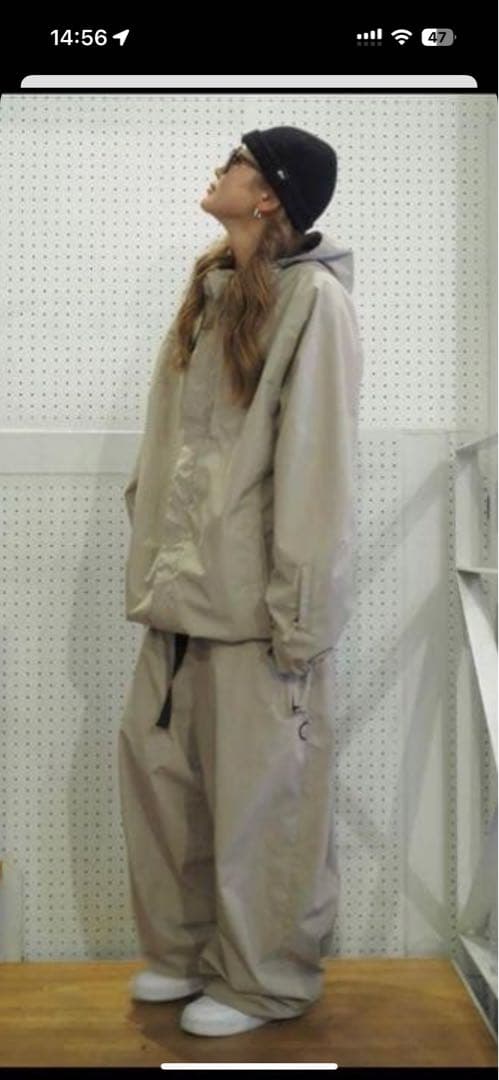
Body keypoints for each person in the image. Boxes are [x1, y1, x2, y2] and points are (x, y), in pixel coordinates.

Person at [117, 125, 364, 1038]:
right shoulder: (212, 293)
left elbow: (315, 470)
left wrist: (299, 618)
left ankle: (265, 981)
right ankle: (187, 954)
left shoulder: (315, 304)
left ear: (269, 195)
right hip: (179, 602)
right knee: (165, 789)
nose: (216, 171)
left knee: (265, 808)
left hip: (255, 615)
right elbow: (169, 453)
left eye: (236, 163)